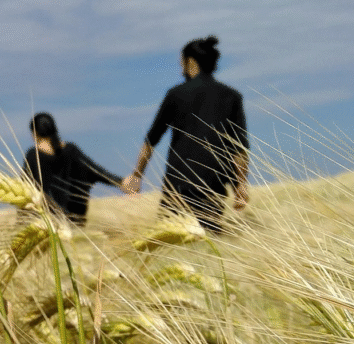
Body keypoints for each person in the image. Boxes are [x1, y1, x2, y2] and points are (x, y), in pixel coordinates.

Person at [126, 36, 249, 234]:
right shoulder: (232, 97)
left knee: (170, 240)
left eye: (181, 62)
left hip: (178, 183)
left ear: (190, 61)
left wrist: (137, 175)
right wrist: (241, 186)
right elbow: (239, 148)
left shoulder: (176, 94)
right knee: (208, 240)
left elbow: (152, 140)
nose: (181, 67)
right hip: (214, 184)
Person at [22, 112, 132, 225]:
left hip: (45, 225)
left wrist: (21, 223)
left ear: (34, 133)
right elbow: (96, 171)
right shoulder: (71, 150)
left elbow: (24, 190)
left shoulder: (32, 156)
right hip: (74, 223)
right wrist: (121, 182)